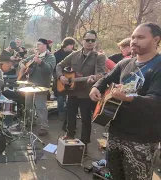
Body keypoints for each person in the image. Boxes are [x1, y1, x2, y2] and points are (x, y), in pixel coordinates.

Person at [90, 23, 161, 180]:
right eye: (133, 37)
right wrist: (96, 87)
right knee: (115, 175)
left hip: (142, 137)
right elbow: (106, 79)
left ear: (156, 40)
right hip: (116, 132)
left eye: (141, 37)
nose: (134, 41)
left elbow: (157, 101)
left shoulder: (158, 66)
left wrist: (128, 98)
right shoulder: (124, 63)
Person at [56, 30, 106, 153]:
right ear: (82, 41)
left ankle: (84, 143)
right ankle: (70, 136)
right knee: (70, 115)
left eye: (92, 40)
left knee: (85, 119)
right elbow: (59, 66)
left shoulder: (99, 57)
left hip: (86, 93)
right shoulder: (74, 55)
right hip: (72, 91)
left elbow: (100, 74)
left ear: (95, 42)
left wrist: (94, 78)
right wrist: (60, 77)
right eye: (87, 40)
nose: (89, 42)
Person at [19, 38, 56, 136]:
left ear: (45, 46)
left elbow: (49, 70)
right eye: (37, 45)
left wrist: (40, 62)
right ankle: (30, 121)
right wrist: (22, 65)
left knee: (40, 107)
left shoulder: (50, 57)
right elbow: (23, 61)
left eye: (39, 44)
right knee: (28, 104)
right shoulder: (34, 56)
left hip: (41, 86)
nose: (37, 47)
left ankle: (44, 127)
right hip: (30, 85)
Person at [52, 37, 76, 131]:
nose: (72, 47)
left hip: (70, 77)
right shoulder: (56, 54)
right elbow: (54, 69)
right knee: (60, 98)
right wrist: (59, 76)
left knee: (70, 97)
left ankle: (68, 115)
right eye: (71, 45)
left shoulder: (73, 53)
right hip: (59, 78)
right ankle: (61, 114)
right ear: (67, 45)